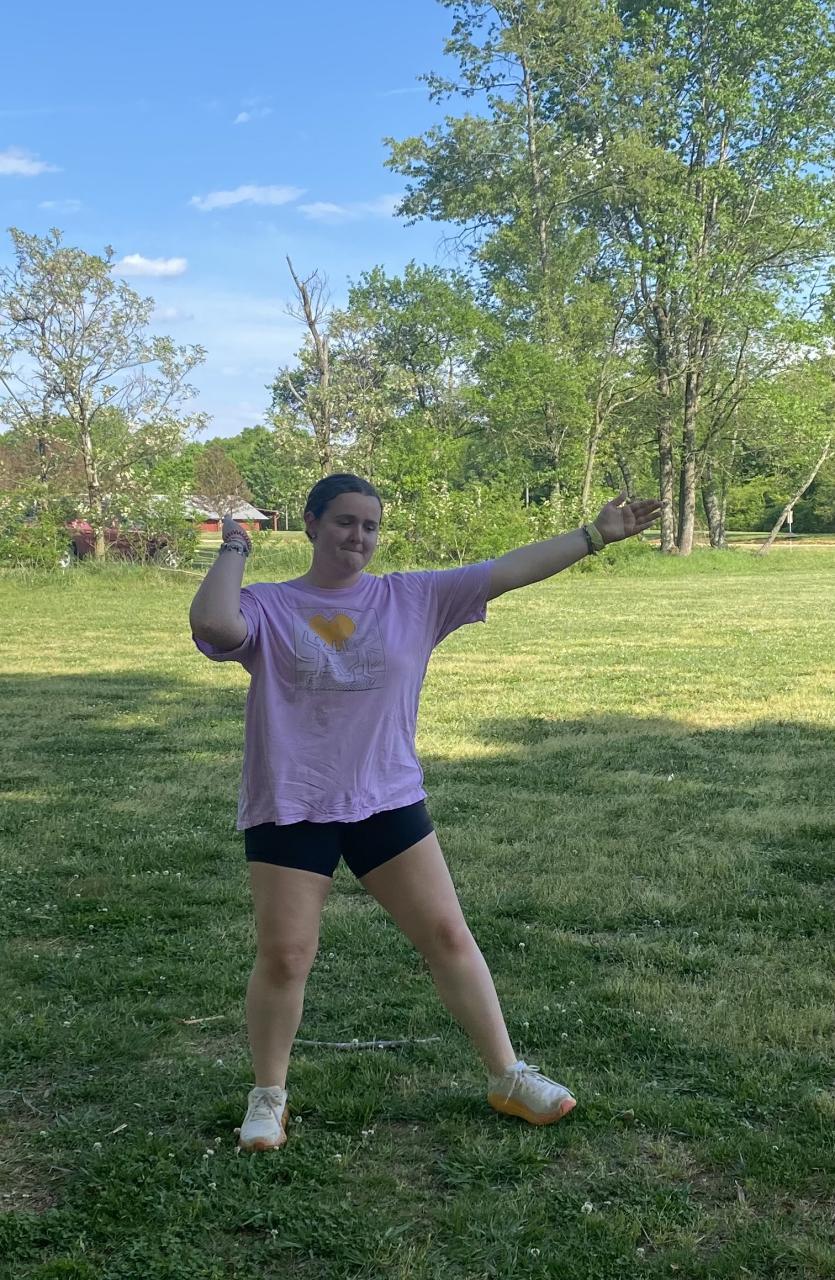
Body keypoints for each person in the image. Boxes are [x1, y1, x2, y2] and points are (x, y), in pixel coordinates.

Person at [189, 474, 662, 1152]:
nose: (358, 536)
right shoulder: (269, 605)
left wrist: (594, 536)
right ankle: (268, 1096)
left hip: (385, 800)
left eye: (370, 526)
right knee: (286, 956)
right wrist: (234, 545)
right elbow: (213, 623)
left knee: (446, 935)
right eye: (345, 522)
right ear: (312, 523)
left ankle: (507, 1075)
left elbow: (508, 570)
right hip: (292, 804)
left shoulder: (412, 598)